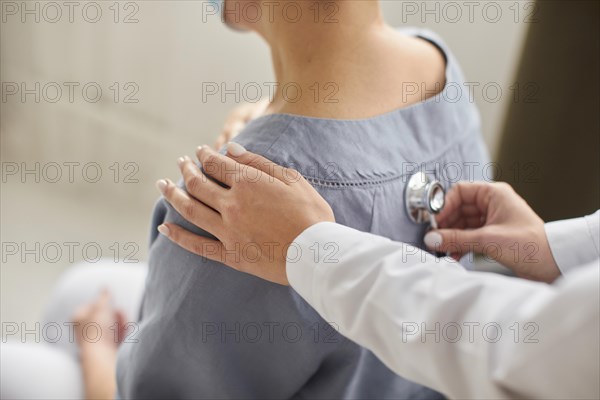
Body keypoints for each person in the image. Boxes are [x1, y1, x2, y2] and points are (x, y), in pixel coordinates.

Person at [113, 0, 489, 398]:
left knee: (70, 312)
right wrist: (272, 126)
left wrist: (96, 361)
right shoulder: (435, 66)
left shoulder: (235, 210)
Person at [156, 143, 600, 399]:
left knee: (88, 288)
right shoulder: (438, 71)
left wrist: (310, 248)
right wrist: (558, 250)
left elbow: (512, 348)